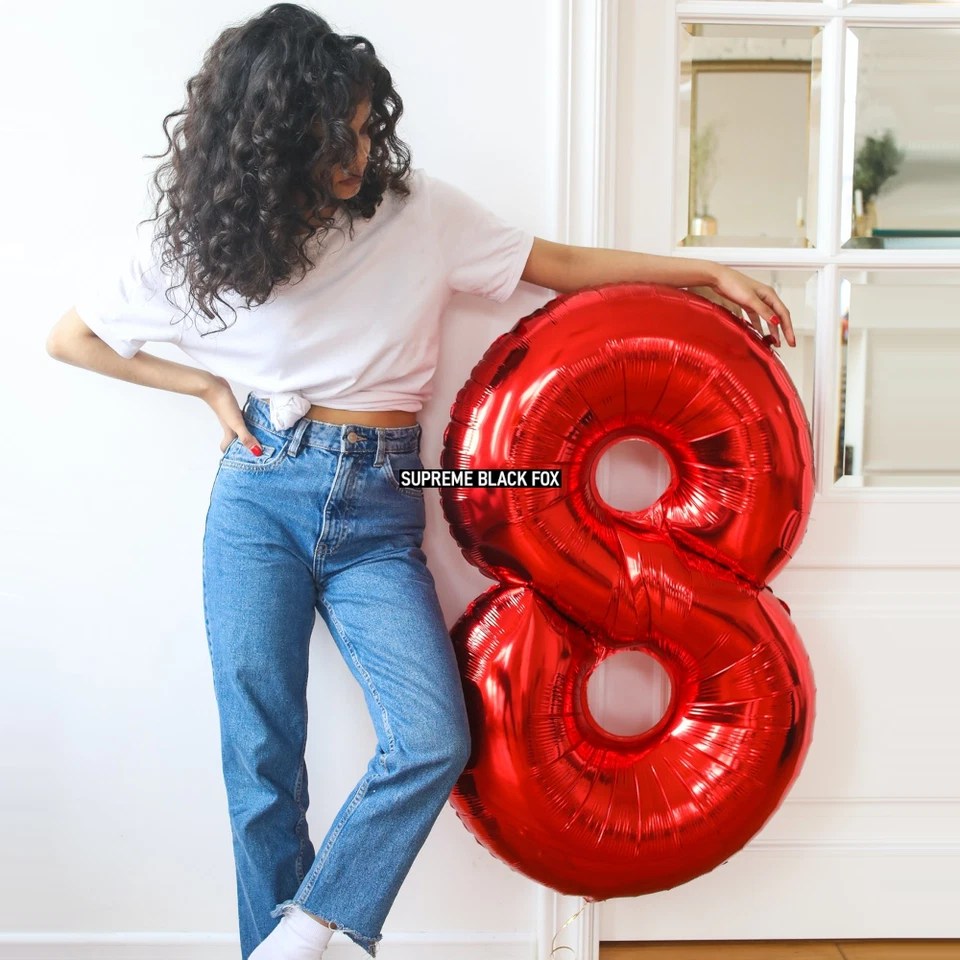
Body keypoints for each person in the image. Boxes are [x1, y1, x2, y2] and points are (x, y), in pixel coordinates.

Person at [45, 5, 795, 959]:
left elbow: (556, 264)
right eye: (335, 136)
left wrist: (704, 276)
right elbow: (72, 338)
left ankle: (309, 929)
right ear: (274, 139)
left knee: (434, 738)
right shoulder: (204, 243)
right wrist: (202, 385)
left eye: (366, 129)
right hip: (260, 493)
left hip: (380, 505)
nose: (358, 155)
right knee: (261, 760)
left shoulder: (417, 212)